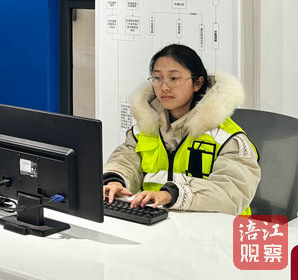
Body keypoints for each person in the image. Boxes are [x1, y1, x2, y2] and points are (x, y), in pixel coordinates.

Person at [103, 43, 260, 215]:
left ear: (198, 83)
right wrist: (115, 181)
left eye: (174, 78)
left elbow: (232, 193)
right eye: (157, 78)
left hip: (217, 228)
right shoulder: (145, 129)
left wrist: (171, 195)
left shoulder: (228, 138)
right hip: (159, 221)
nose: (164, 87)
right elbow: (125, 160)